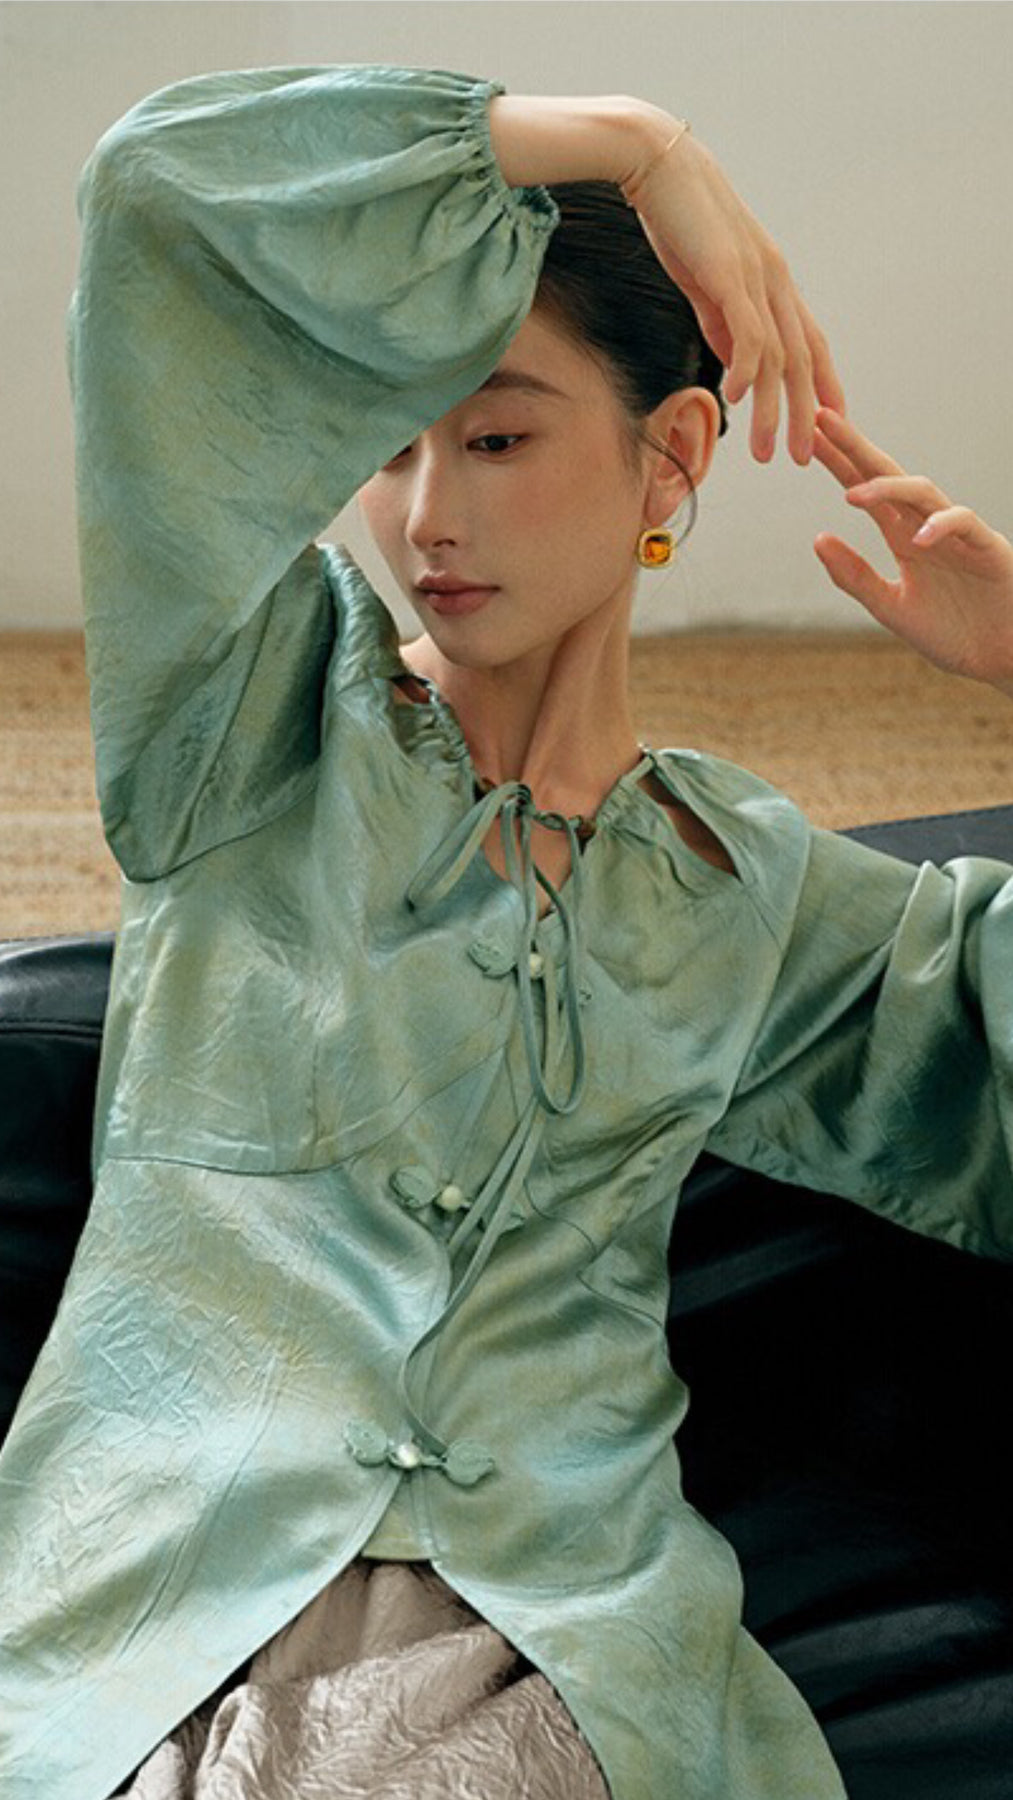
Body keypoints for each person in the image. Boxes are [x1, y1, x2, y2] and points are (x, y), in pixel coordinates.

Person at [1, 61, 1011, 1800]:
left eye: (492, 436)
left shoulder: (740, 886)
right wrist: (635, 144)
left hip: (549, 1648)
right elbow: (154, 191)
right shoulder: (244, 719)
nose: (424, 516)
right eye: (389, 445)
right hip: (150, 1610)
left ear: (667, 456)